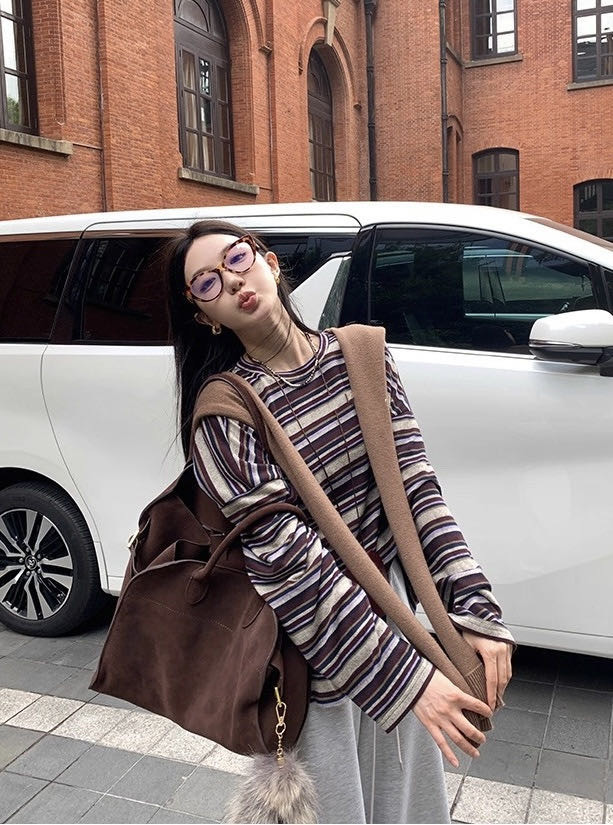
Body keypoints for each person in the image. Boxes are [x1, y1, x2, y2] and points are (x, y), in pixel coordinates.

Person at [165, 219, 516, 824]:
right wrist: (404, 679)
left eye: (237, 259)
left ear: (270, 261)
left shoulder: (363, 357)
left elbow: (418, 492)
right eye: (207, 283)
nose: (232, 281)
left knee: (408, 811)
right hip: (317, 655)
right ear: (206, 316)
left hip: (397, 622)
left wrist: (475, 608)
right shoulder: (224, 415)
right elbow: (292, 568)